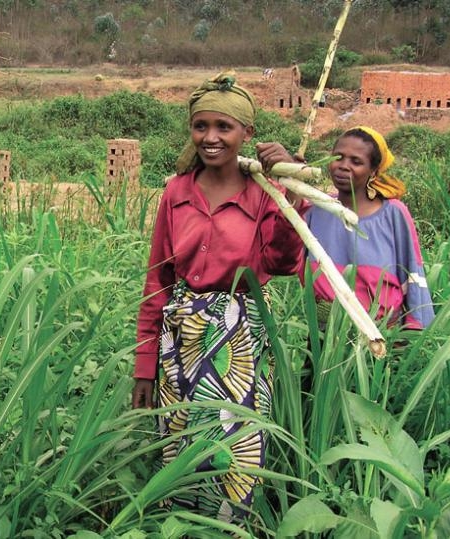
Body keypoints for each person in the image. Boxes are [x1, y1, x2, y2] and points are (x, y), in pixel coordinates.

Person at [131, 73, 305, 523]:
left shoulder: (265, 192)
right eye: (200, 126)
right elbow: (158, 280)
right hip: (179, 336)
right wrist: (145, 367)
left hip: (237, 337)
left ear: (247, 133)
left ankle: (224, 531)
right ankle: (178, 528)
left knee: (235, 452)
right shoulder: (176, 191)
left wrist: (289, 192)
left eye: (223, 127)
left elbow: (284, 263)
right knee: (178, 444)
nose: (210, 138)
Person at [300, 126, 435, 329]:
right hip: (323, 336)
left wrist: (417, 328)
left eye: (356, 162)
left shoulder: (393, 213)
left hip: (381, 336)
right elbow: (289, 260)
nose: (343, 166)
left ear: (373, 170)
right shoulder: (315, 210)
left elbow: (413, 272)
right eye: (338, 157)